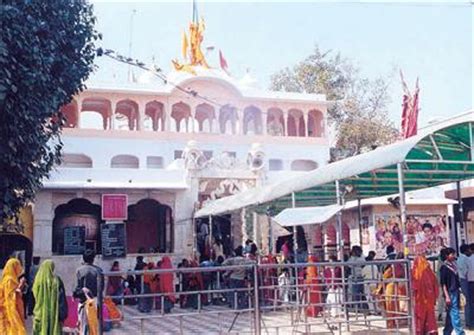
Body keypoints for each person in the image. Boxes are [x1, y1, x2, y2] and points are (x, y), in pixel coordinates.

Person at [32, 259, 68, 335]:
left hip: (40, 314)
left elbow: (33, 296)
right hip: (54, 314)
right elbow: (62, 299)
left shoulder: (37, 281)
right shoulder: (57, 281)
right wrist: (62, 315)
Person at [75, 249, 103, 335]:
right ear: (93, 259)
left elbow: (77, 288)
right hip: (96, 300)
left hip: (84, 301)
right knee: (95, 325)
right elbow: (102, 287)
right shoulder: (99, 270)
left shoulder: (80, 270)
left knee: (84, 326)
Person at [439, 247, 465, 335]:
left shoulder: (453, 265)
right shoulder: (444, 268)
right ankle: (460, 332)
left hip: (456, 291)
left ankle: (447, 331)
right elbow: (443, 284)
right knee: (455, 313)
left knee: (451, 314)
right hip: (450, 293)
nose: (454, 256)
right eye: (452, 254)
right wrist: (446, 296)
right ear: (447, 256)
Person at [412, 255, 439, 335]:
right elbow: (436, 286)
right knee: (430, 317)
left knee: (420, 318)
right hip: (429, 300)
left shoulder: (415, 273)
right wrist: (434, 298)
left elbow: (413, 287)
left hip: (419, 300)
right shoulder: (430, 273)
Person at [0, 258, 27, 335]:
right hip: (9, 312)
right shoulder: (10, 280)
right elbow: (11, 299)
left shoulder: (7, 279)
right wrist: (20, 287)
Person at [348, 245, 367, 312]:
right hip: (354, 277)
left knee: (360, 293)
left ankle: (361, 307)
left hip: (360, 277)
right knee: (355, 294)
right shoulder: (353, 258)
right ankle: (357, 307)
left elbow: (363, 263)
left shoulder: (360, 258)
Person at [457, 244, 472, 329]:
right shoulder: (466, 259)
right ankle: (469, 322)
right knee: (469, 302)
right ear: (466, 250)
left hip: (463, 280)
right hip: (466, 280)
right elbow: (467, 271)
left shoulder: (459, 258)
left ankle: (468, 321)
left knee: (467, 302)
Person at [466, 243, 474, 330]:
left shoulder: (468, 260)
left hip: (471, 283)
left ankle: (472, 324)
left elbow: (464, 272)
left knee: (471, 304)